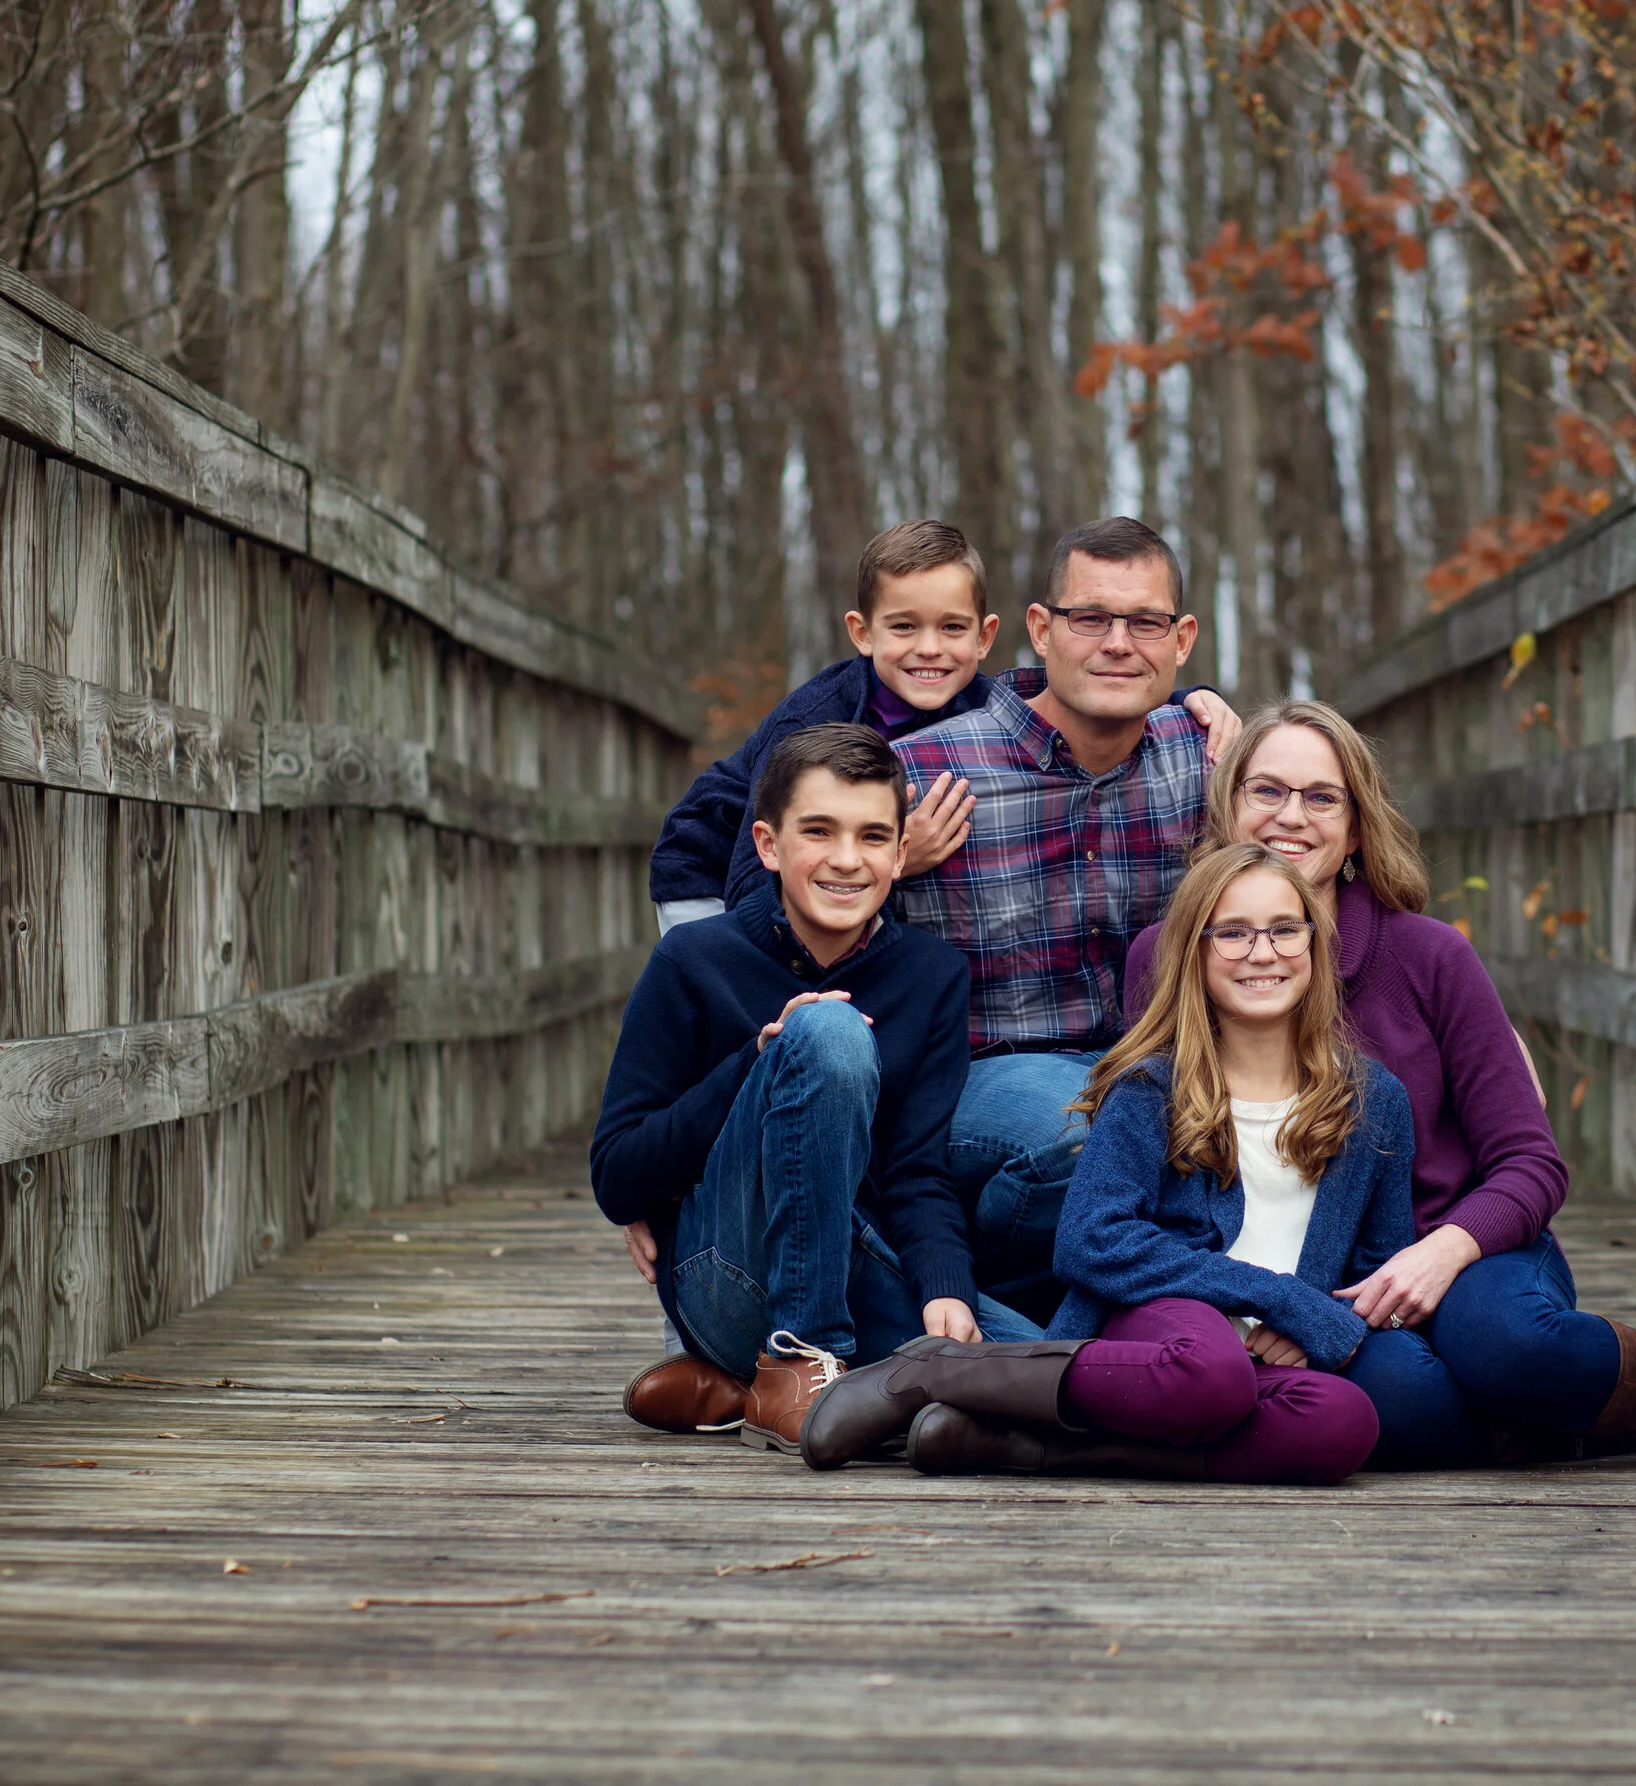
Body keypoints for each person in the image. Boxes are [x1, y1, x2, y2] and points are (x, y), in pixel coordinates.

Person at [1125, 702, 1636, 1467]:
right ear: (1227, 810)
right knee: (1396, 1403)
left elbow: (1531, 1163)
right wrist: (1284, 1301)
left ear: (1357, 827)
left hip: (1461, 1246)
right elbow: (1163, 1151)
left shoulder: (1429, 957)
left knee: (1514, 1345)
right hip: (1291, 1276)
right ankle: (1548, 1428)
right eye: (1267, 790)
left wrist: (1441, 1253)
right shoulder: (1169, 956)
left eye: (1322, 796)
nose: (1291, 815)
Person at [798, 844, 1399, 1484]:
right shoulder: (1152, 1087)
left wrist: (1316, 1319)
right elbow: (1090, 1239)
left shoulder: (1371, 1099)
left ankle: (1019, 1447)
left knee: (1346, 1421)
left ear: (1314, 944)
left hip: (1270, 1355)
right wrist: (1279, 1297)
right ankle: (934, 1369)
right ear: (1195, 953)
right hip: (1159, 1322)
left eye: (1284, 930)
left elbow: (1379, 1261)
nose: (1263, 952)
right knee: (1212, 1375)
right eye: (1233, 933)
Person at [590, 724, 1034, 1453]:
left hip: (857, 1266)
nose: (846, 860)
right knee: (827, 1034)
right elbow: (616, 1176)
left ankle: (746, 1387)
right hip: (726, 1274)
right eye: (819, 831)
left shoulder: (931, 974)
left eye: (871, 836)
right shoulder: (694, 960)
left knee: (1043, 1368)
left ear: (900, 852)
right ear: (768, 844)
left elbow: (916, 1171)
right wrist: (755, 1065)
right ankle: (801, 1358)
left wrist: (945, 1287)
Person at [889, 517, 1229, 1322]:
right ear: (1042, 630)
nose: (1118, 642)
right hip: (986, 1088)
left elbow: (1325, 843)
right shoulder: (923, 773)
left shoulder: (1213, 761)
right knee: (1094, 1137)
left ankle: (1077, 1337)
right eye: (1090, 619)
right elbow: (794, 917)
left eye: (1144, 622)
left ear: (1180, 641)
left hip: (1160, 1070)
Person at [647, 519, 1237, 934]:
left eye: (952, 629)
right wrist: (898, 858)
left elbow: (1070, 693)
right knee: (735, 992)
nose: (929, 650)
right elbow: (756, 878)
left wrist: (1189, 698)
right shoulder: (814, 728)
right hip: (708, 874)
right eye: (903, 627)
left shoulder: (978, 700)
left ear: (984, 638)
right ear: (862, 633)